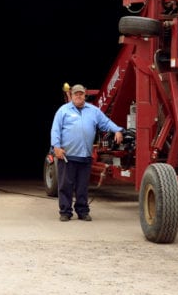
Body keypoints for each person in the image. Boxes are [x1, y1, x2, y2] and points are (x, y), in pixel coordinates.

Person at [50, 84, 124, 221]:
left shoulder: (93, 111)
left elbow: (105, 122)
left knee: (82, 186)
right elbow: (55, 130)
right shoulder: (63, 111)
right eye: (76, 94)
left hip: (85, 156)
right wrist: (56, 147)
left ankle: (83, 211)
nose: (79, 96)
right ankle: (65, 212)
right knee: (65, 185)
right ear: (71, 96)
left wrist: (117, 130)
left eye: (81, 94)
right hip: (67, 156)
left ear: (85, 95)